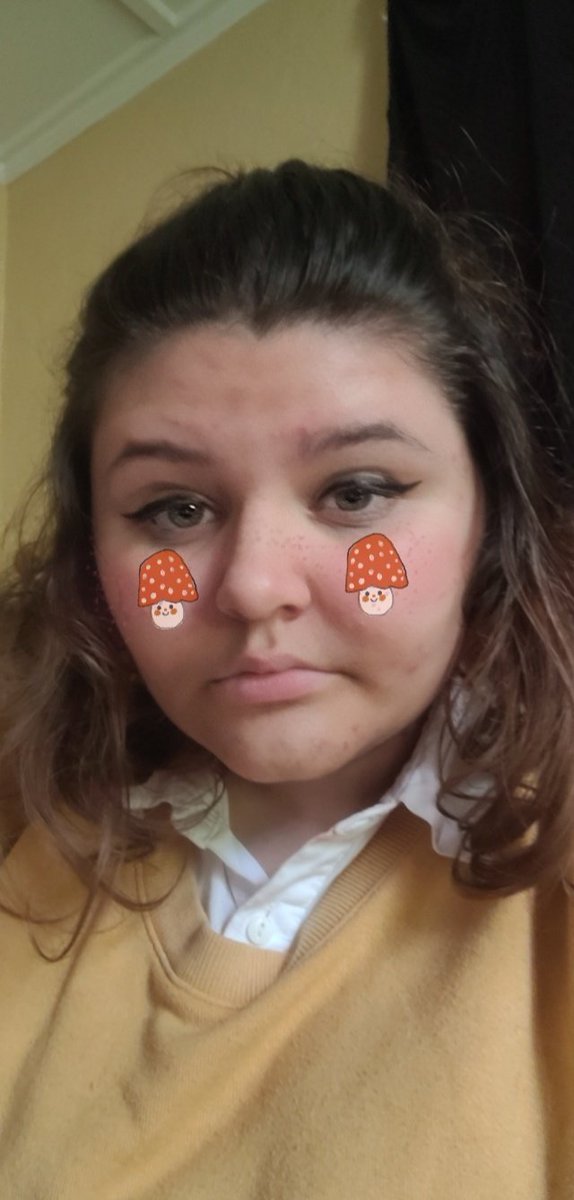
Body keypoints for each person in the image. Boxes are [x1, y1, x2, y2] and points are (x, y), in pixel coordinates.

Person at [0, 160, 573, 1199]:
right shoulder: (29, 828)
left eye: (356, 491)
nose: (254, 588)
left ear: (489, 516)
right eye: (174, 510)